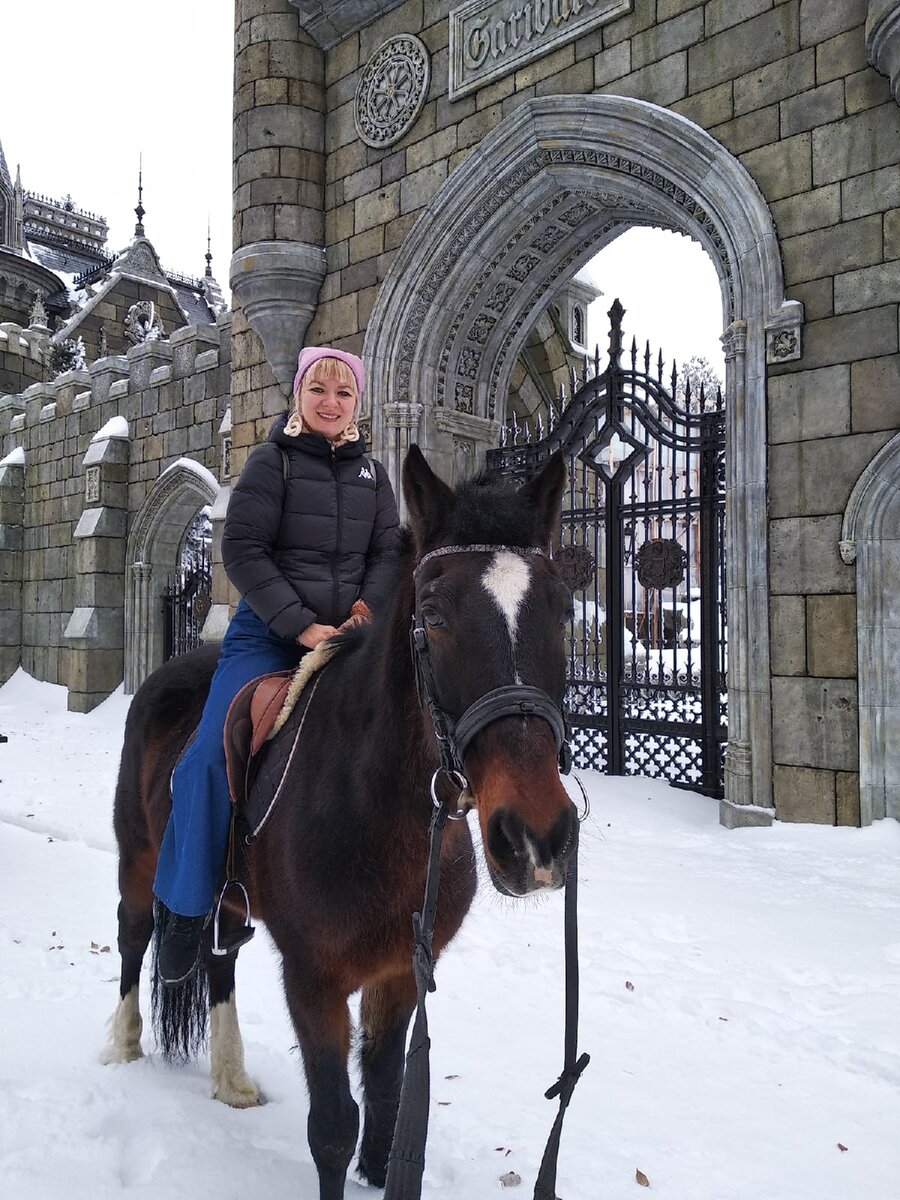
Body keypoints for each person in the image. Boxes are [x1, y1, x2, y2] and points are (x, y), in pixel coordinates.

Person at [153, 347, 400, 984]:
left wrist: (364, 612)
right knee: (209, 755)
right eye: (319, 388)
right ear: (299, 394)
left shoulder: (375, 476)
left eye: (343, 394)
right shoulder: (272, 463)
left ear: (357, 404)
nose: (330, 402)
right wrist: (300, 623)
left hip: (349, 637)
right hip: (267, 637)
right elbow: (242, 549)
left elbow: (388, 552)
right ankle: (182, 910)